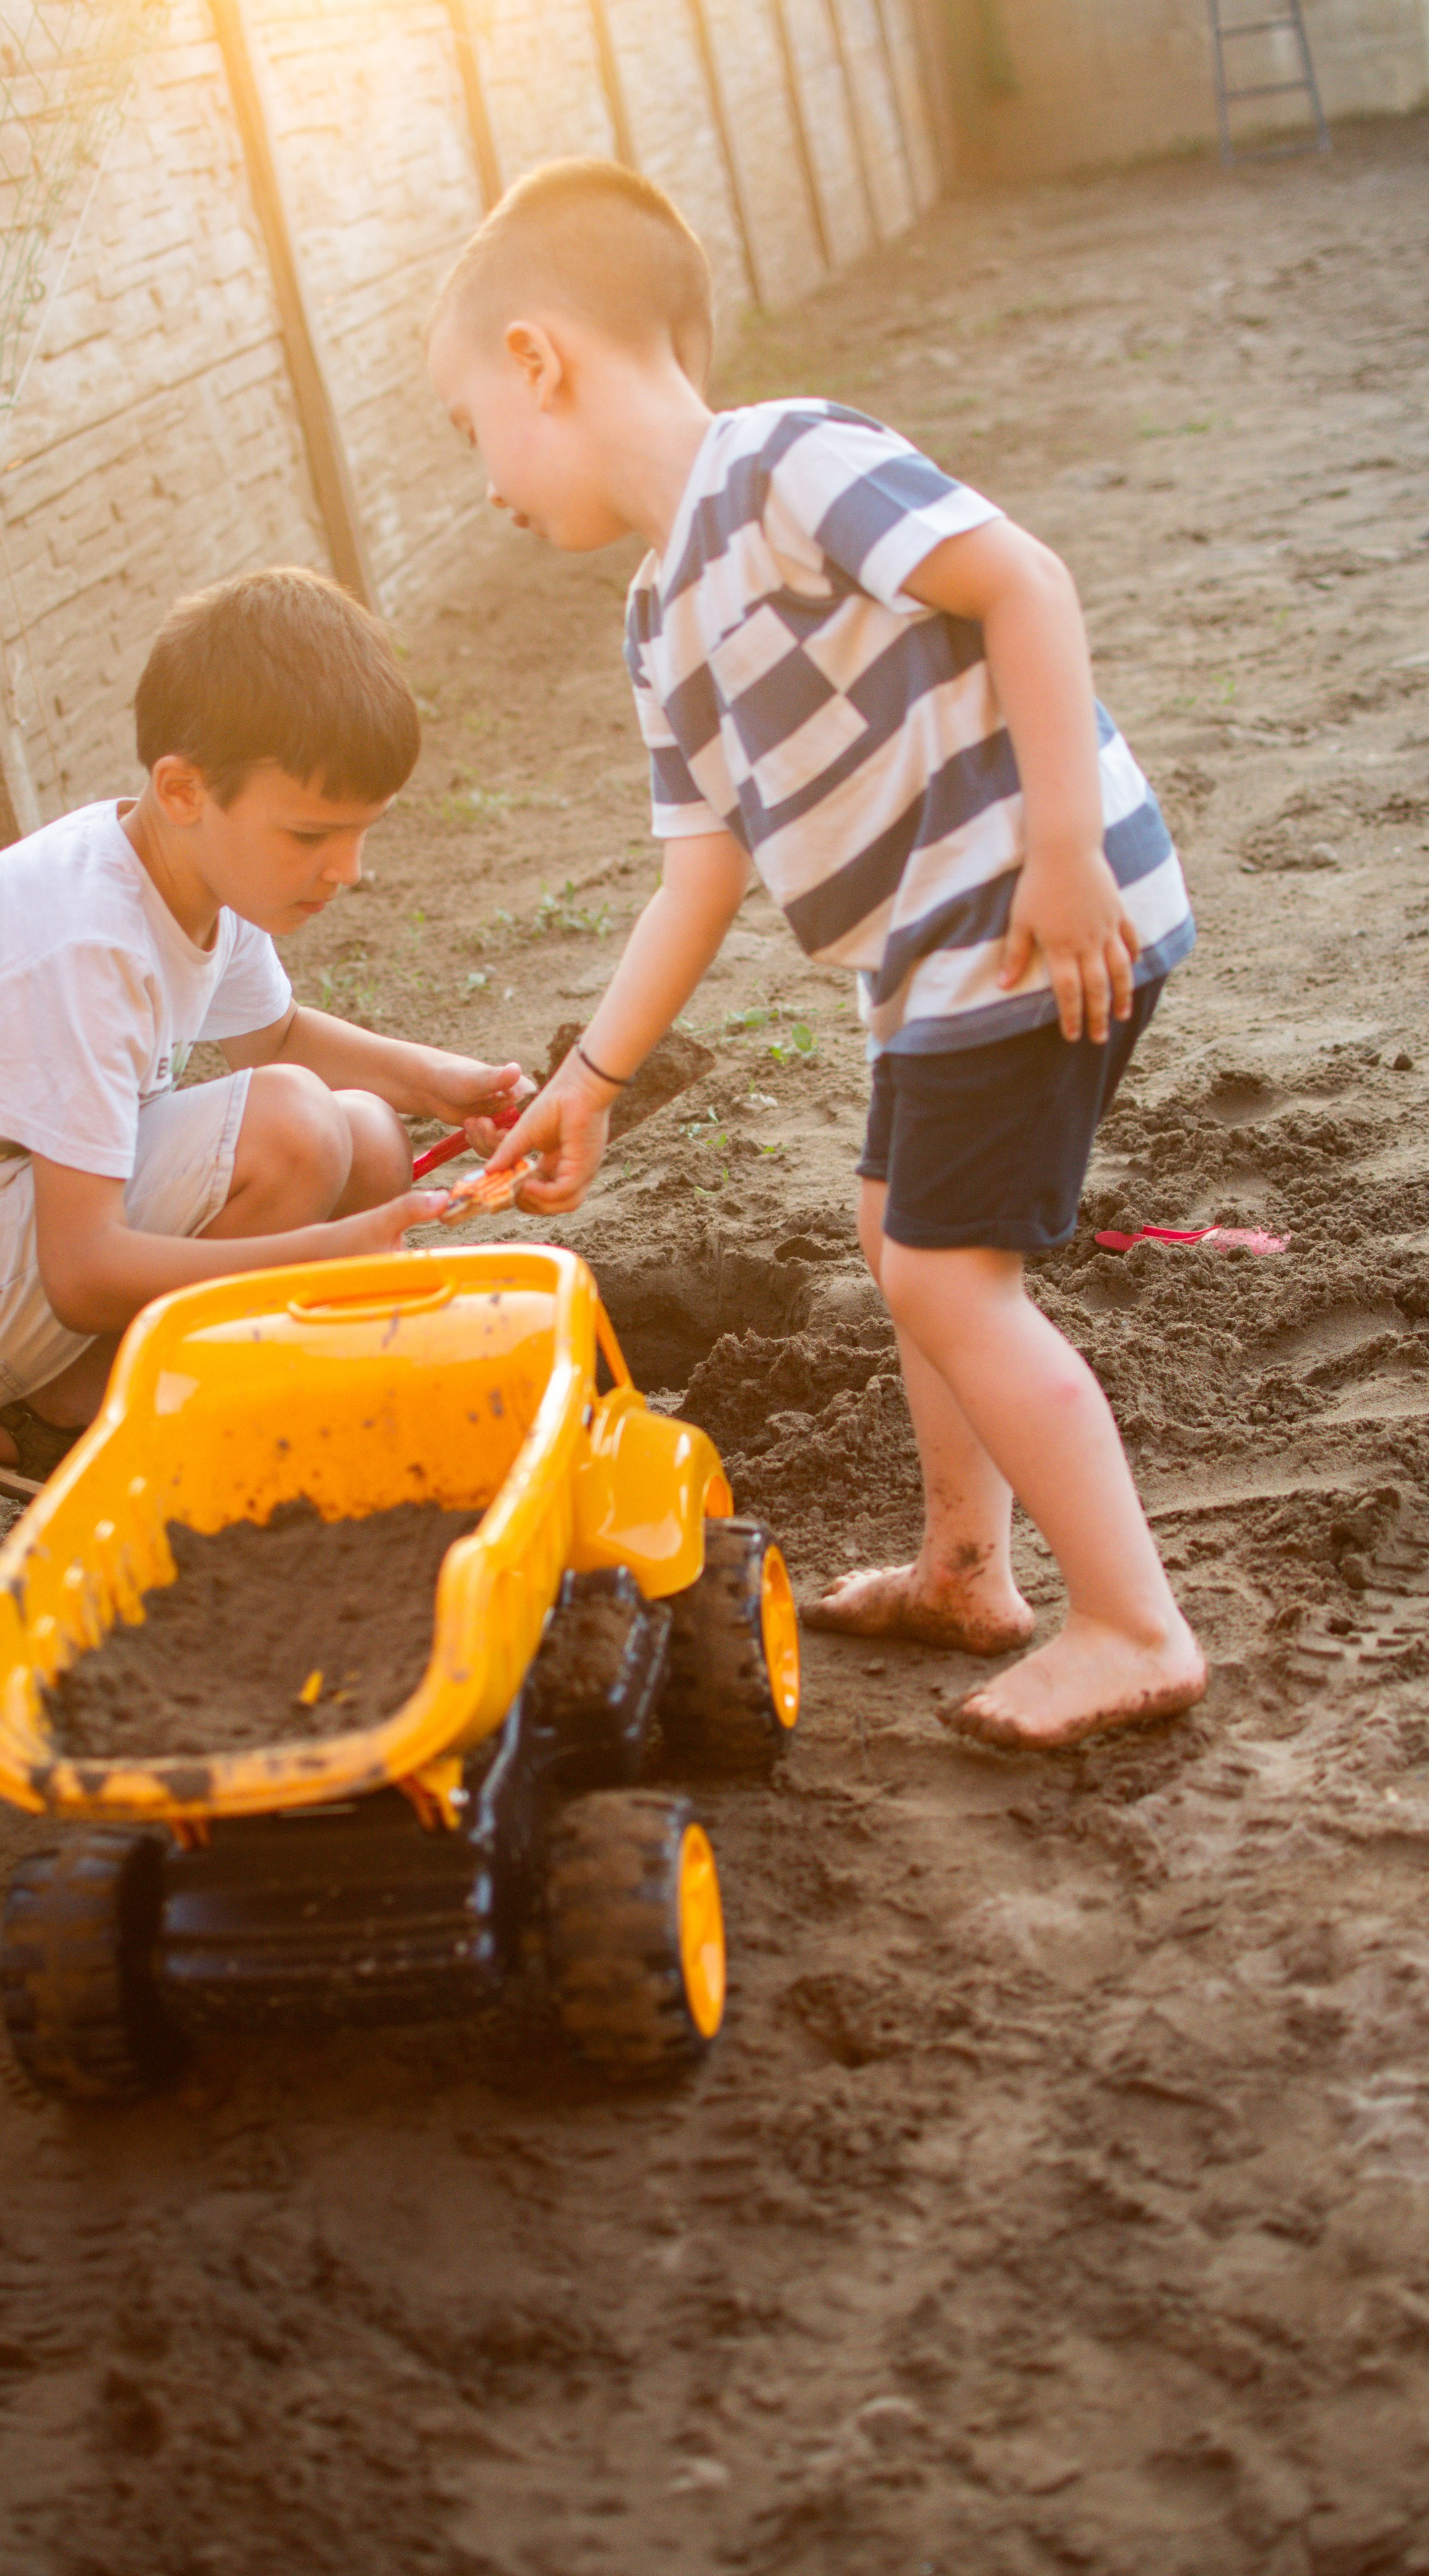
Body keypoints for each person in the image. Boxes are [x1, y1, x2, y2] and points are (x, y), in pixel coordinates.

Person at [426, 160, 1206, 1752]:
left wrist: (1060, 850)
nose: (479, 479)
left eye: (465, 432)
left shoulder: (782, 459)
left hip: (1027, 915)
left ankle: (1131, 1623)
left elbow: (1021, 583)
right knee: (893, 1230)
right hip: (929, 963)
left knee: (940, 1267)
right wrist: (589, 1081)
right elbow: (695, 877)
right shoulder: (655, 614)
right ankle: (961, 1569)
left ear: (535, 359)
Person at [0, 567, 521, 1501]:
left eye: (362, 833)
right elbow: (83, 1276)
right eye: (313, 836)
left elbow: (273, 1040)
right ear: (185, 789)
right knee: (297, 1131)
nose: (348, 870)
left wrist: (434, 1080)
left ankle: (241, 1403)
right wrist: (330, 1250)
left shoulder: (200, 870)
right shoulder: (85, 942)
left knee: (364, 1133)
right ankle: (70, 1423)